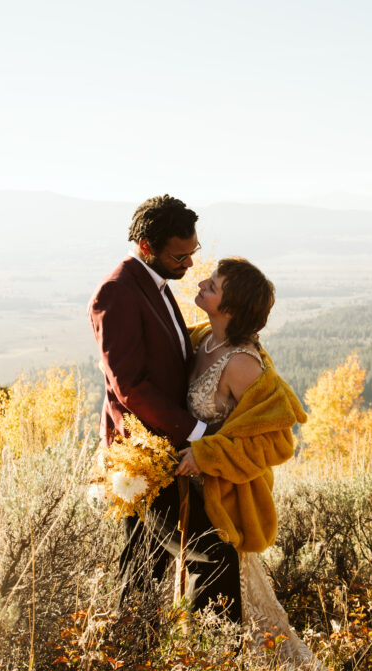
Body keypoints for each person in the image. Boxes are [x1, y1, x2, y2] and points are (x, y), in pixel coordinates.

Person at [88, 195, 242, 622]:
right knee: (213, 553)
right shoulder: (116, 292)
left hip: (156, 453)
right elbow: (131, 387)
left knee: (143, 560)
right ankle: (214, 654)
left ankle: (127, 651)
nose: (190, 264)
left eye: (192, 253)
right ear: (146, 246)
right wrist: (197, 432)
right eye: (181, 255)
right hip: (144, 454)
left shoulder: (153, 285)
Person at [174, 257, 329, 671]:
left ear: (232, 308)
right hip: (192, 491)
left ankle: (232, 670)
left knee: (219, 596)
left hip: (226, 495)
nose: (203, 282)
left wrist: (206, 455)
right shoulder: (204, 337)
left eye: (215, 285)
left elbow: (276, 440)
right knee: (193, 590)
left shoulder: (243, 364)